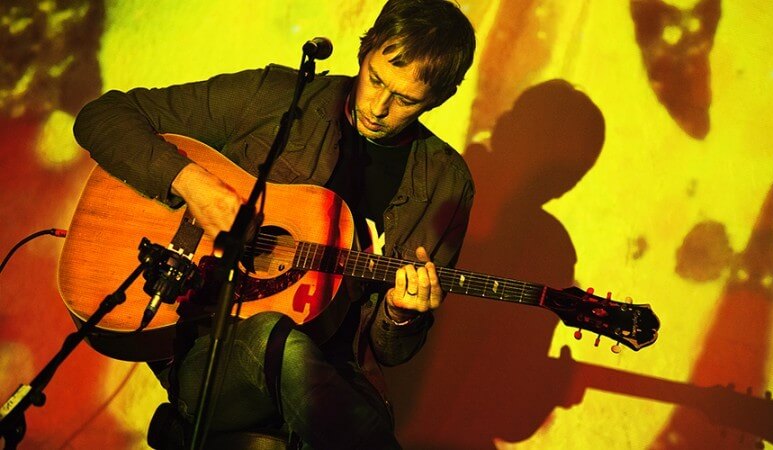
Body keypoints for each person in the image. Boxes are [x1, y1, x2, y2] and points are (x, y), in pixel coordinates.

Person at [73, 0, 476, 448]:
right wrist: (192, 183)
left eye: (404, 99)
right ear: (365, 51)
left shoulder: (444, 183)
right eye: (376, 79)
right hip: (214, 354)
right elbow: (102, 117)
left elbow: (390, 352)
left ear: (438, 98)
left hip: (337, 375)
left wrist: (402, 315)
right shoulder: (277, 98)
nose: (378, 107)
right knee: (274, 338)